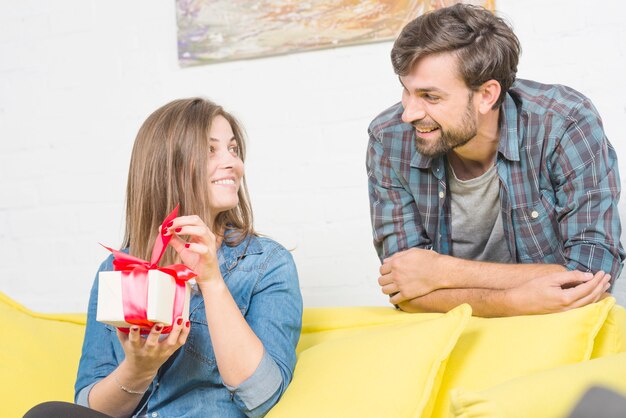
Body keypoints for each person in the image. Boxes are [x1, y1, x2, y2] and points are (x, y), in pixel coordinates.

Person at [26, 98, 302, 418]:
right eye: (211, 150)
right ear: (168, 165)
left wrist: (211, 281)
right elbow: (89, 407)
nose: (232, 163)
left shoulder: (267, 264)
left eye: (234, 149)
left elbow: (262, 395)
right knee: (47, 414)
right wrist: (139, 369)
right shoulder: (117, 270)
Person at [367, 4, 624, 317]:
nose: (409, 113)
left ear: (487, 95)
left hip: (565, 325)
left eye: (430, 97)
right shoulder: (389, 138)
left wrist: (441, 272)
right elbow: (402, 289)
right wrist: (513, 301)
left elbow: (590, 277)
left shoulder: (563, 123)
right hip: (458, 333)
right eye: (406, 91)